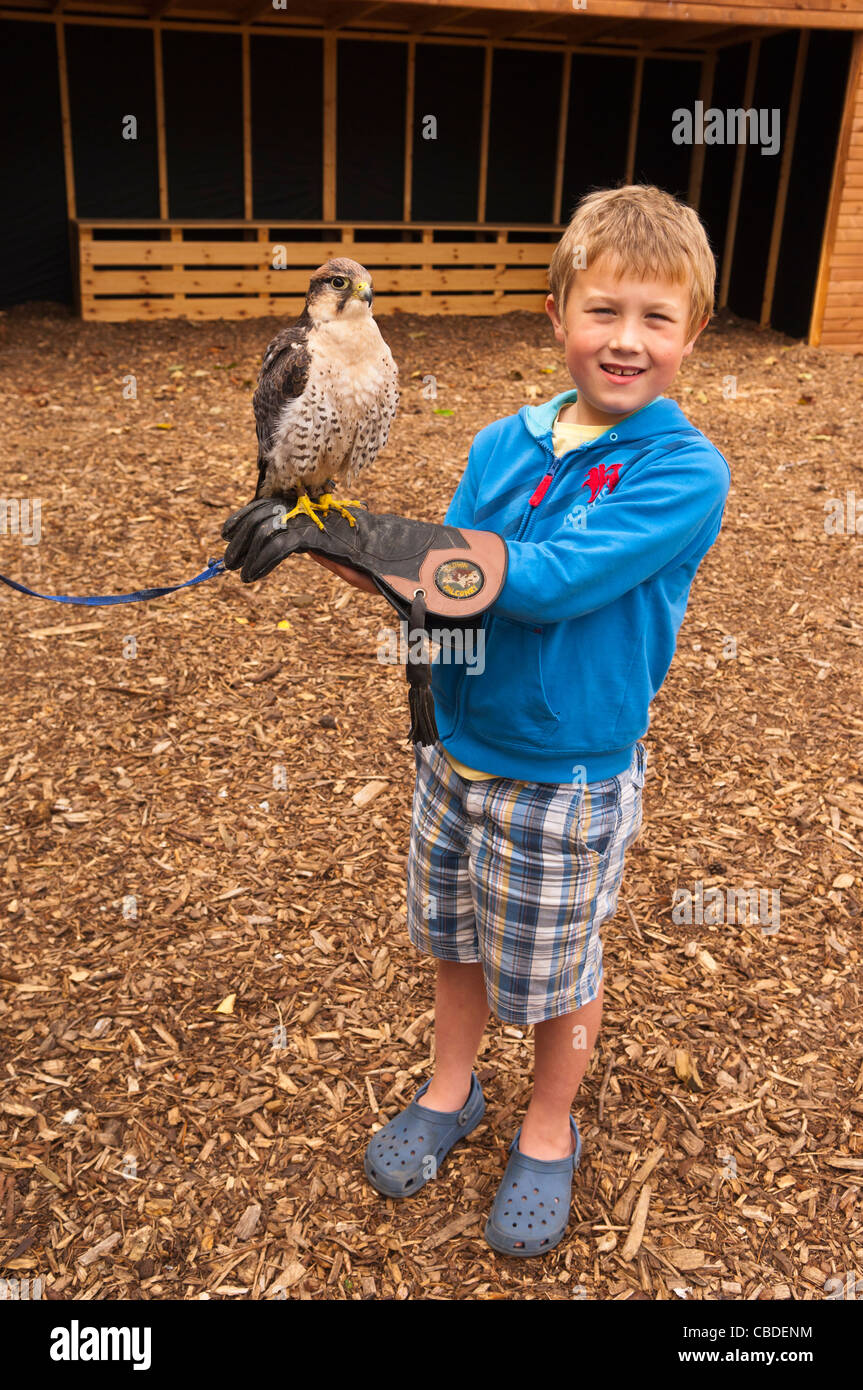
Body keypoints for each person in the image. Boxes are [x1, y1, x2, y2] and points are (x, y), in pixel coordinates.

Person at [239, 183, 731, 1258]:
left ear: (692, 332)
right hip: (454, 753)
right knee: (452, 943)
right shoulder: (501, 443)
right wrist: (321, 537)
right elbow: (443, 580)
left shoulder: (682, 470)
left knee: (556, 970)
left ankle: (546, 1125)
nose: (624, 339)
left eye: (655, 317)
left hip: (567, 774)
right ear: (557, 316)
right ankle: (450, 1089)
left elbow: (545, 581)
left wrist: (371, 532)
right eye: (602, 310)